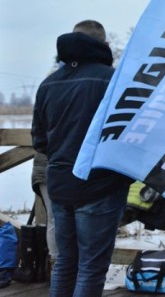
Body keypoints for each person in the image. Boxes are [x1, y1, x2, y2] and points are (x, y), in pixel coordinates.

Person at [31, 20, 132, 297]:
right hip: (100, 184)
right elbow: (131, 132)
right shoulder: (112, 80)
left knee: (65, 261)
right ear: (104, 45)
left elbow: (39, 140)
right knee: (91, 266)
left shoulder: (48, 83)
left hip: (60, 186)